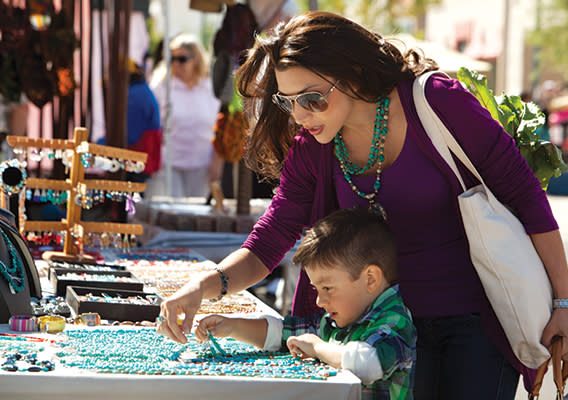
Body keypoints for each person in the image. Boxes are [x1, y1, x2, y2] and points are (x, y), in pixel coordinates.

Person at [157, 12, 568, 399]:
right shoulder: (312, 146)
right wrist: (202, 288)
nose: (300, 115)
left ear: (352, 74)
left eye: (312, 98)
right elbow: (270, 238)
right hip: (385, 332)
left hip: (479, 325)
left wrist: (563, 303)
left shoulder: (437, 103)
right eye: (289, 101)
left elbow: (526, 197)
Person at [196, 208, 416, 399]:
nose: (320, 301)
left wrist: (318, 348)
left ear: (370, 279)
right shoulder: (339, 318)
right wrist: (234, 327)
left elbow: (369, 363)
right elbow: (284, 333)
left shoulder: (394, 319)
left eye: (328, 288)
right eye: (316, 290)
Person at [149, 33, 221, 197]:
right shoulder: (161, 86)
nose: (176, 64)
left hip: (202, 164)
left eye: (181, 59)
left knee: (196, 214)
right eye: (171, 59)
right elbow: (153, 124)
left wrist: (218, 161)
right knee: (173, 212)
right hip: (169, 163)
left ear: (196, 59)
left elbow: (219, 125)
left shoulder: (210, 88)